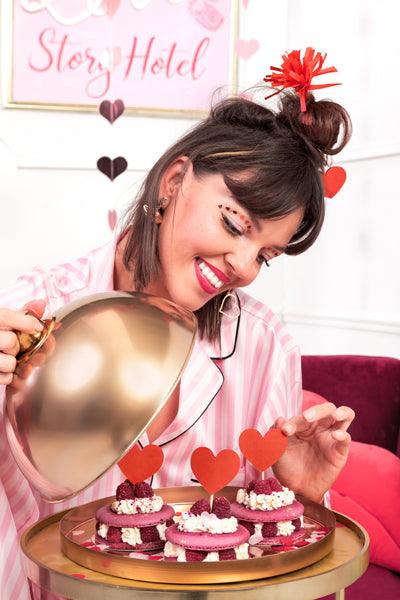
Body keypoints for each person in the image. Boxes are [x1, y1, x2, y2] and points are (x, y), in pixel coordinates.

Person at [0, 56, 354, 598]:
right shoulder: (30, 315)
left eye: (266, 255)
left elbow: (269, 570)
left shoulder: (265, 347)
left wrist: (298, 498)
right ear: (172, 183)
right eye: (234, 223)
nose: (243, 266)